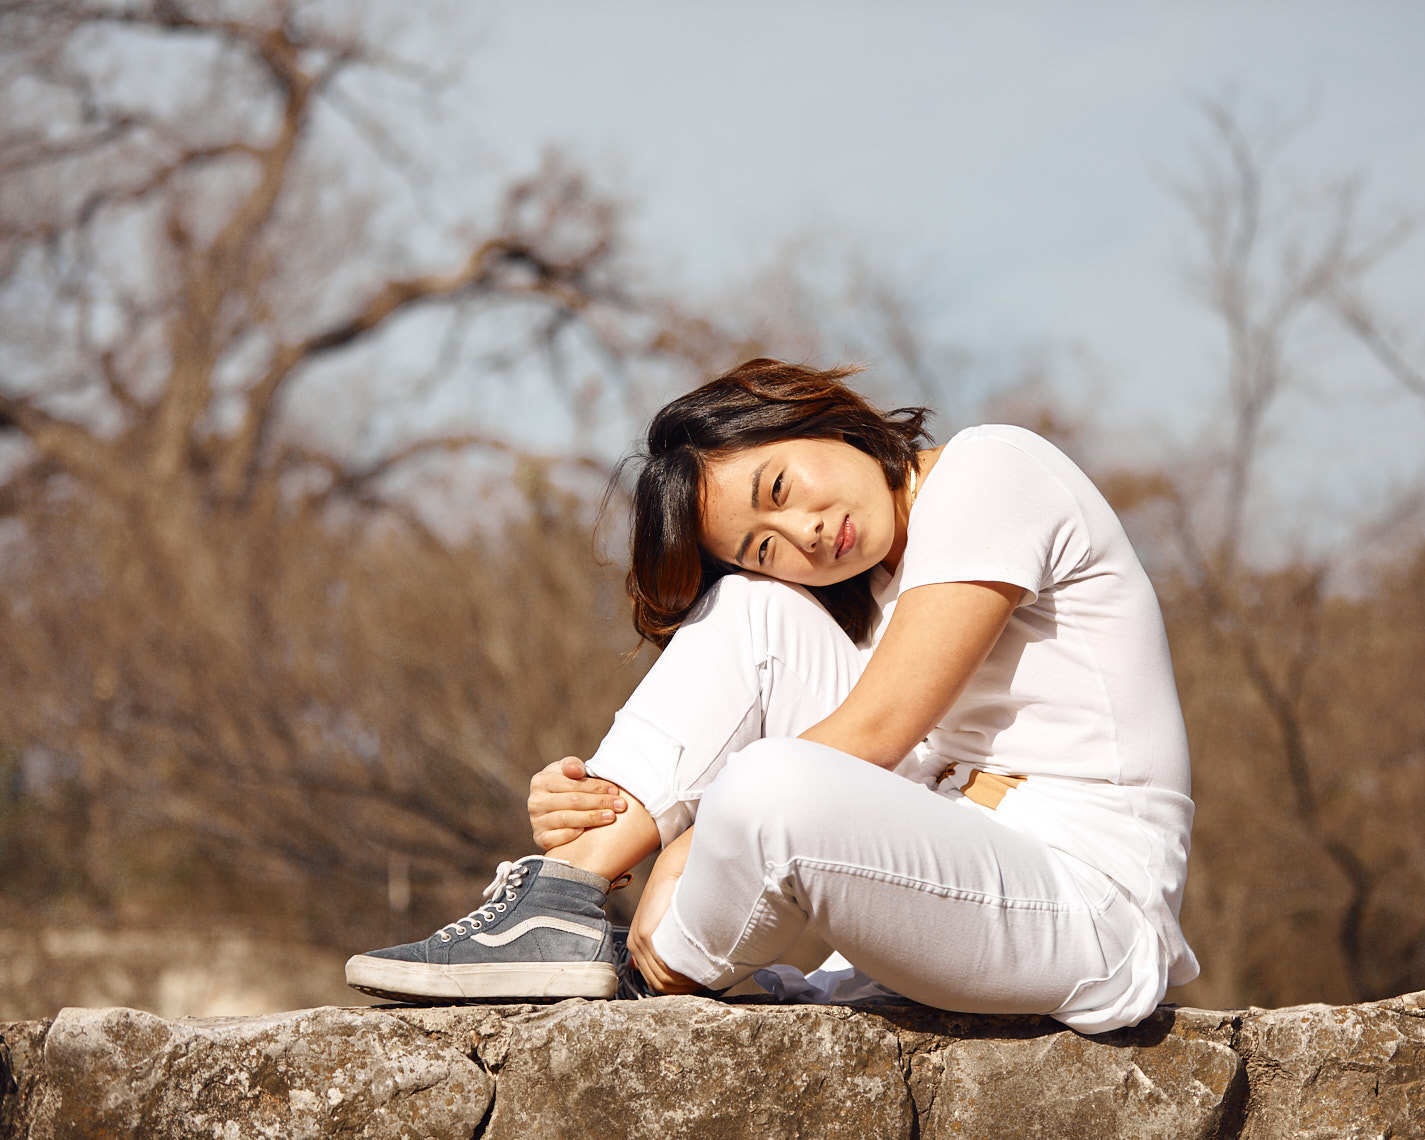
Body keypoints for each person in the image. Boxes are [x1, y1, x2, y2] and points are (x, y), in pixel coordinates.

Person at [345, 358, 1199, 1033]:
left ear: (812, 416)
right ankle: (562, 897)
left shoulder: (991, 471)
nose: (804, 535)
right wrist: (590, 812)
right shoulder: (863, 594)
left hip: (1082, 902)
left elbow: (878, 729)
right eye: (762, 544)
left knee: (767, 785)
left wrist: (702, 831)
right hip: (958, 865)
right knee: (747, 616)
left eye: (780, 490)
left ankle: (657, 968)